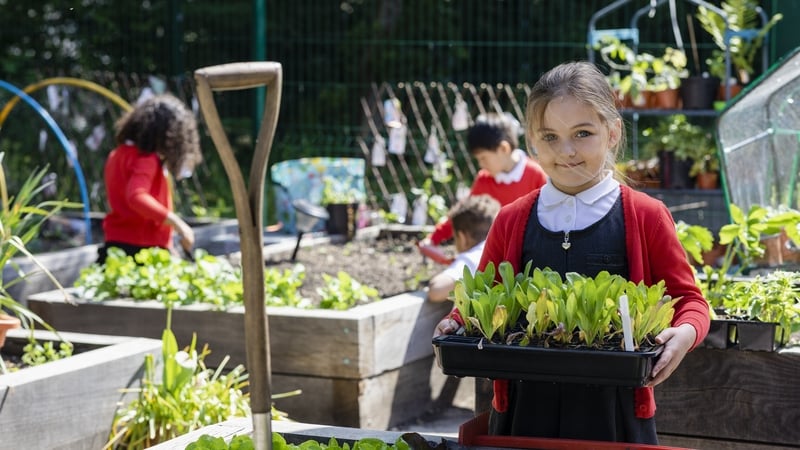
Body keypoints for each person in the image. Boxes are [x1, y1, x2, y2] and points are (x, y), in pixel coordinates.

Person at [434, 61, 710, 444]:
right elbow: (484, 299)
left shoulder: (645, 215)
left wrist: (685, 332)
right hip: (522, 411)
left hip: (615, 416)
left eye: (582, 133)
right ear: (531, 141)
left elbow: (689, 300)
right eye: (549, 137)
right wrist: (456, 321)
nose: (566, 152)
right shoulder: (511, 219)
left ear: (612, 133)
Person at [418, 112, 547, 257]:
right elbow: (464, 213)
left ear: (503, 149)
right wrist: (433, 239)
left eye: (483, 158)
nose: (480, 164)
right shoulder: (484, 179)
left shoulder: (536, 174)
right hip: (495, 252)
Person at [98, 93, 203, 264]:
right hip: (144, 249)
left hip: (115, 245)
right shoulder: (146, 160)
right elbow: (136, 196)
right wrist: (178, 223)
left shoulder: (116, 155)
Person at [426, 194, 500, 303]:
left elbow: (437, 291)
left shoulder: (473, 257)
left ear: (462, 237)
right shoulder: (500, 247)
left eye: (454, 237)